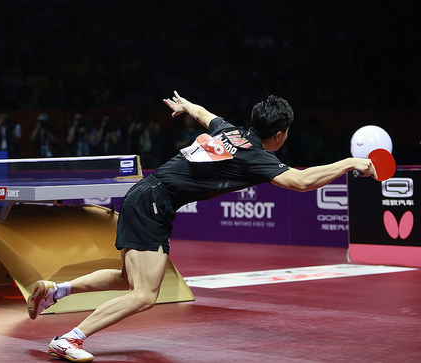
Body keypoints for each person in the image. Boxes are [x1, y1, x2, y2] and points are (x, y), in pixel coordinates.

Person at [27, 91, 377, 362]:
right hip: (154, 202)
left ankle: (56, 290)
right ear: (281, 134)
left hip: (147, 195)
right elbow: (301, 182)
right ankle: (69, 338)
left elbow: (203, 115)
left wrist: (186, 105)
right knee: (145, 295)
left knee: (128, 280)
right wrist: (349, 162)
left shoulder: (230, 132)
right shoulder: (257, 156)